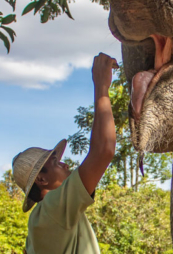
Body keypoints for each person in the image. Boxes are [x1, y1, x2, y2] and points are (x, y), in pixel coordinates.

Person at [12, 53, 119, 254]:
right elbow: (104, 149)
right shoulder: (52, 209)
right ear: (41, 179)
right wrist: (101, 87)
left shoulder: (38, 224)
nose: (65, 165)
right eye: (55, 162)